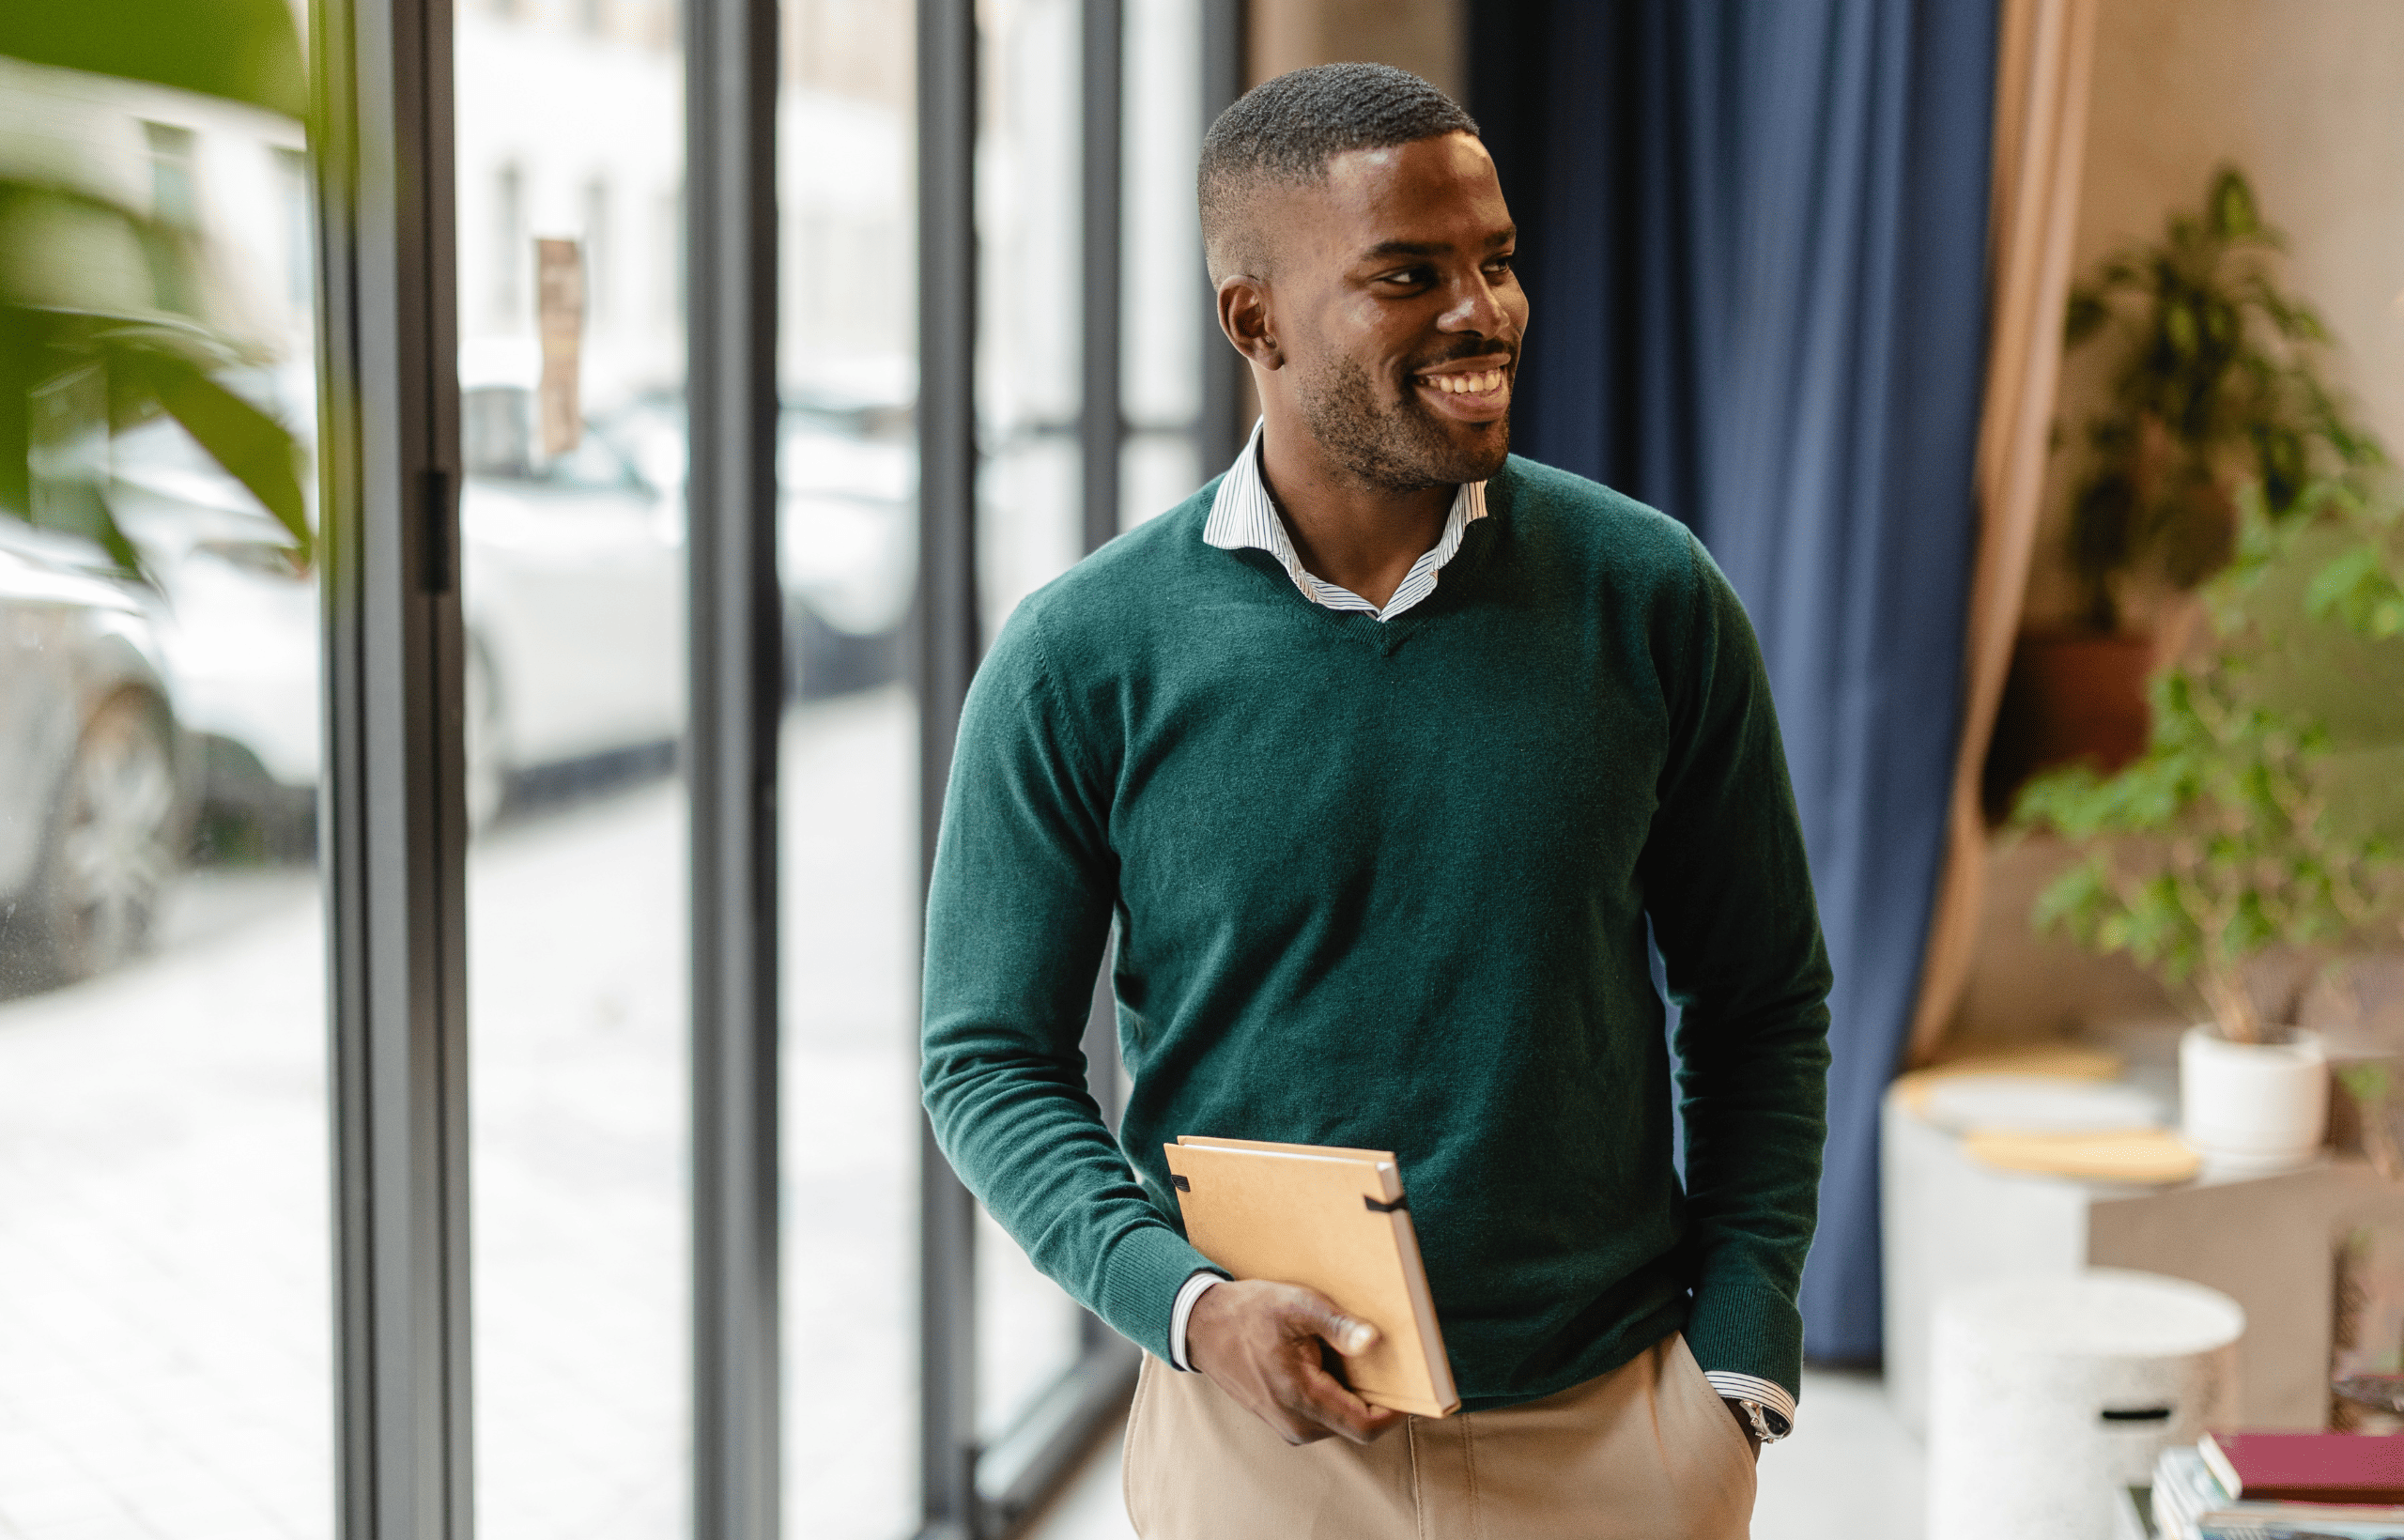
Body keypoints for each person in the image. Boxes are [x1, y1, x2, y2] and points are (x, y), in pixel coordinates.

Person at [921, 62, 1831, 1538]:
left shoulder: (1652, 595)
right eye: (1410, 274)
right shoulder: (1080, 655)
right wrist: (1187, 1305)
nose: (1485, 311)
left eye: (1496, 259)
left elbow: (1762, 999)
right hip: (1255, 1450)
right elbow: (985, 1059)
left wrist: (1736, 1360)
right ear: (1254, 320)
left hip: (1609, 1430)